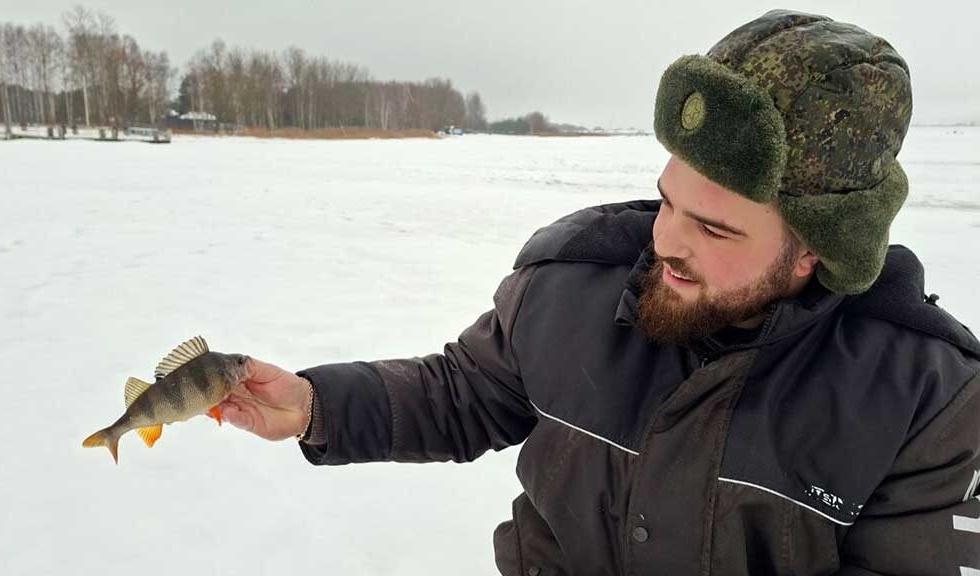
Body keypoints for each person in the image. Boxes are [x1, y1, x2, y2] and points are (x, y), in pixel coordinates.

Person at [215, 9, 980, 575]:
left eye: (715, 230)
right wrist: (317, 406)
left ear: (817, 248)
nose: (666, 242)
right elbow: (466, 392)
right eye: (668, 201)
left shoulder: (925, 399)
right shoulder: (569, 288)